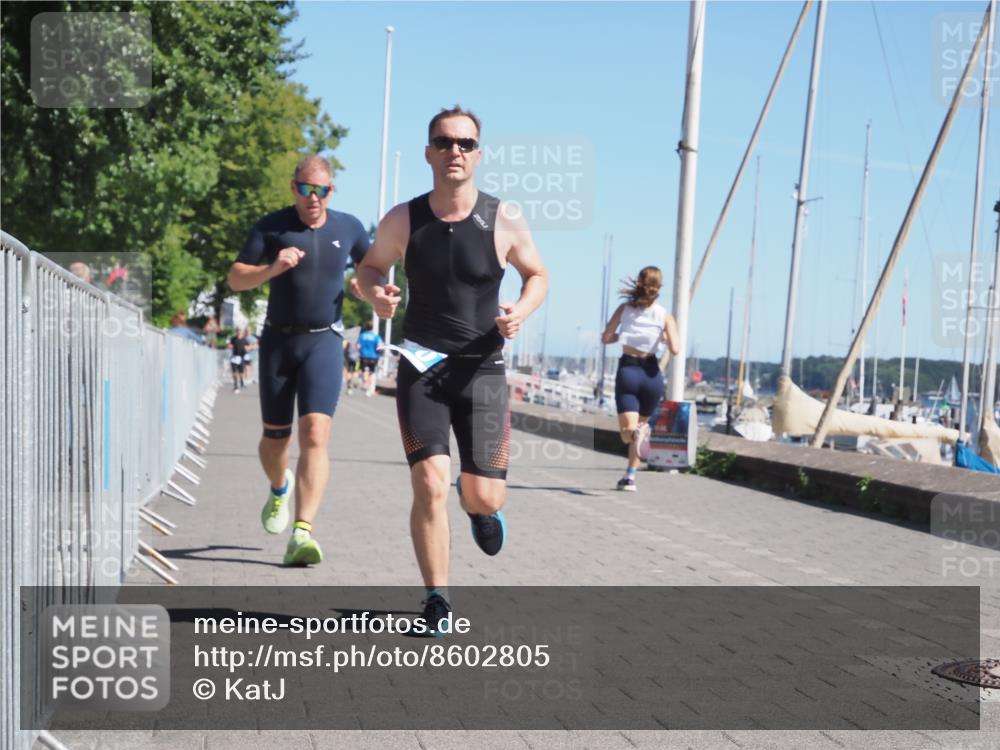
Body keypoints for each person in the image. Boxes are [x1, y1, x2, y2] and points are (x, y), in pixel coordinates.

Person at [358, 105, 547, 632]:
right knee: (429, 485)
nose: (454, 152)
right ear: (429, 153)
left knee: (482, 493)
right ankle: (437, 597)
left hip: (483, 369)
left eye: (465, 143)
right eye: (444, 143)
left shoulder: (503, 217)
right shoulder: (404, 218)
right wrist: (377, 295)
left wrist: (520, 313)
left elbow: (537, 275)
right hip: (422, 365)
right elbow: (370, 268)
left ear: (478, 154)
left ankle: (483, 511)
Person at [227, 155, 370, 566]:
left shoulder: (350, 228)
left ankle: (302, 532)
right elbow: (236, 278)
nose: (313, 198)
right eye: (306, 189)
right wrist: (273, 268)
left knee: (315, 435)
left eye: (321, 190)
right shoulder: (272, 227)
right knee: (275, 441)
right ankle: (278, 489)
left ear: (331, 191)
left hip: (323, 341)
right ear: (294, 188)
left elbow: (370, 272)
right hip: (277, 343)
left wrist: (366, 291)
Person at [601, 266, 680, 491]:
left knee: (628, 435)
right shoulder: (665, 315)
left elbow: (606, 338)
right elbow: (675, 348)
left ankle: (636, 436)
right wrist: (663, 336)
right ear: (659, 288)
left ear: (638, 283)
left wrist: (621, 335)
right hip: (652, 375)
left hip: (629, 372)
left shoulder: (625, 309)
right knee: (640, 430)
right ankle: (630, 476)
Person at [357, 320, 384, 396]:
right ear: (372, 327)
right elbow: (380, 346)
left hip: (364, 356)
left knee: (363, 371)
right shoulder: (376, 336)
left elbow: (358, 346)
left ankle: (364, 381)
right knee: (371, 373)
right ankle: (368, 389)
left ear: (366, 327)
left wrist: (360, 351)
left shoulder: (362, 335)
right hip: (373, 357)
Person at [228, 328, 248, 393]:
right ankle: (235, 385)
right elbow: (230, 345)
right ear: (236, 332)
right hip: (234, 358)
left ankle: (242, 381)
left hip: (241, 358)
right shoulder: (233, 339)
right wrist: (229, 346)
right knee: (234, 373)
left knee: (241, 373)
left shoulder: (244, 340)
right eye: (237, 331)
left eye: (240, 331)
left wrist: (249, 348)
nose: (238, 333)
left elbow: (248, 346)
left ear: (241, 332)